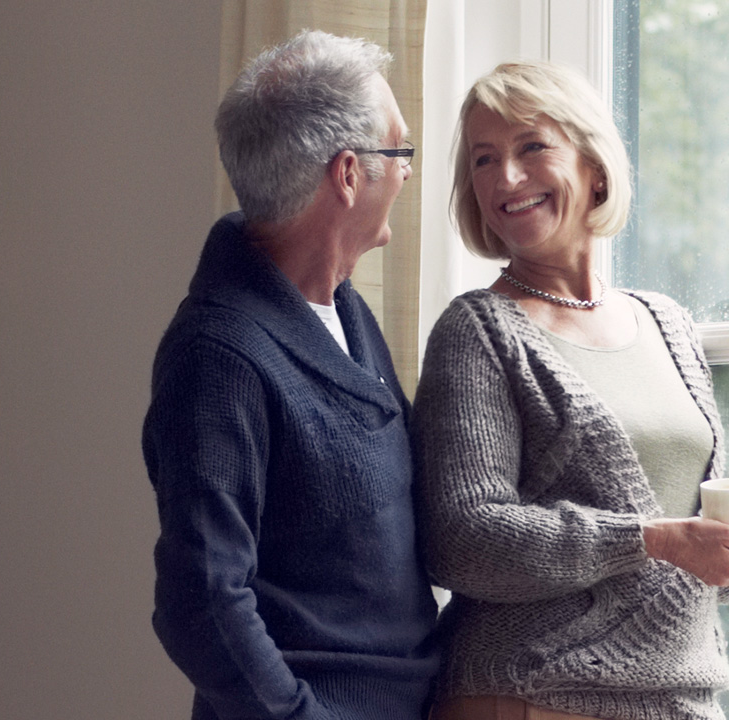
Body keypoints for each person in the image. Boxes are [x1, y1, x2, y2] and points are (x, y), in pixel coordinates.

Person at [414, 59, 729, 720]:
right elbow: (462, 538)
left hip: (682, 695)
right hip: (531, 695)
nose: (506, 177)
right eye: (483, 159)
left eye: (532, 146)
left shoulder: (666, 322)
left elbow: (698, 523)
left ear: (594, 164)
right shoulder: (479, 333)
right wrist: (652, 538)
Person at [141, 29, 439, 720]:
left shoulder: (346, 312)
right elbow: (200, 600)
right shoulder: (219, 358)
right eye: (399, 152)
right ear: (347, 174)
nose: (407, 172)